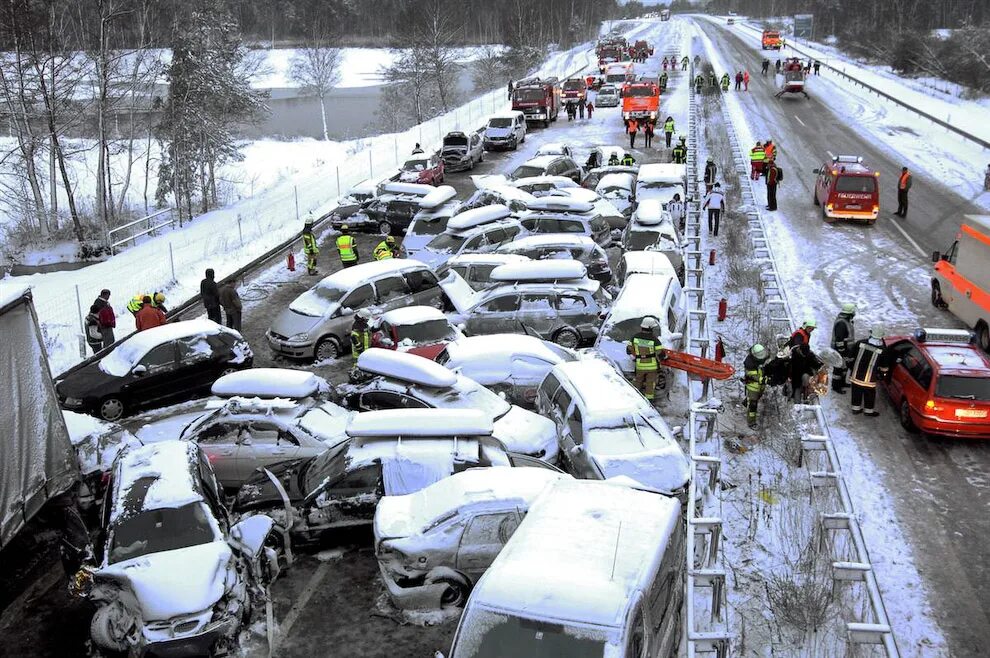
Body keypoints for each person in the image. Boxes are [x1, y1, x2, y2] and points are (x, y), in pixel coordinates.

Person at [849, 325, 891, 416]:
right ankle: (868, 411)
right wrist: (882, 375)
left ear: (871, 333)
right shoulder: (883, 350)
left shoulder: (860, 343)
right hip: (869, 380)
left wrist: (850, 368)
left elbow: (851, 357)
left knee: (856, 392)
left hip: (855, 376)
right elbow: (884, 367)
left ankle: (855, 409)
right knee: (869, 395)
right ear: (881, 336)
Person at [627, 317, 666, 402]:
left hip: (639, 366)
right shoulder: (655, 340)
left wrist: (635, 355)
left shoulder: (635, 337)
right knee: (650, 384)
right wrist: (664, 357)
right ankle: (649, 401)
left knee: (638, 382)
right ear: (651, 328)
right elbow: (660, 353)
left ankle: (635, 399)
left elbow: (629, 349)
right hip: (652, 368)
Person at [786, 319, 822, 402]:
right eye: (810, 328)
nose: (811, 330)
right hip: (796, 359)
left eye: (812, 329)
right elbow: (797, 347)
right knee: (797, 379)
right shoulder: (799, 334)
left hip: (801, 355)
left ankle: (802, 393)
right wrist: (805, 353)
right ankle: (797, 396)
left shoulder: (806, 334)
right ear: (806, 327)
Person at [830, 303, 857, 393]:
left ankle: (842, 383)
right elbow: (839, 339)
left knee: (844, 367)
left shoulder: (847, 320)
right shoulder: (841, 323)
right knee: (838, 368)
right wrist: (842, 351)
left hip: (845, 349)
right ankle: (836, 386)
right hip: (840, 350)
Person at [743, 344, 769, 428]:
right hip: (753, 386)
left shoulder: (761, 357)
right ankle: (751, 422)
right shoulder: (749, 363)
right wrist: (763, 380)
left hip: (760, 386)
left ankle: (747, 400)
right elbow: (753, 376)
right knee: (753, 405)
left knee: (756, 398)